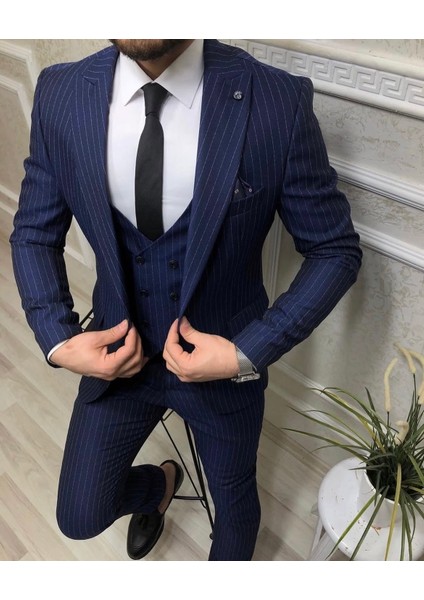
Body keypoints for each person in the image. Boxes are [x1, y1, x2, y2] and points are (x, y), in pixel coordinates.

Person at [10, 39, 362, 561]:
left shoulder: (277, 101)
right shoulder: (61, 93)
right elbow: (34, 234)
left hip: (225, 363)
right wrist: (58, 338)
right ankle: (160, 486)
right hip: (119, 361)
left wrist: (247, 352)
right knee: (79, 516)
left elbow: (334, 249)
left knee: (235, 517)